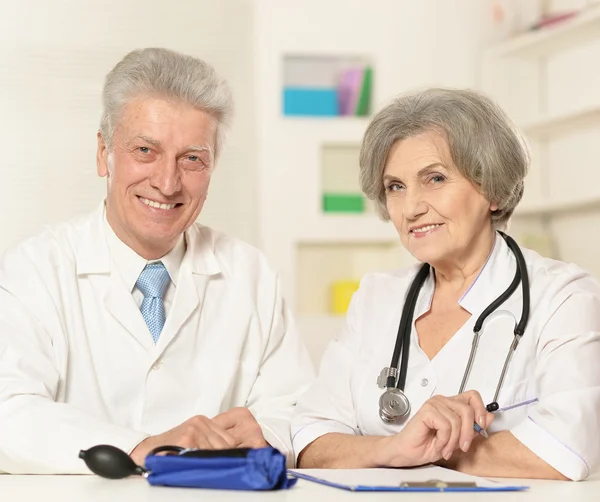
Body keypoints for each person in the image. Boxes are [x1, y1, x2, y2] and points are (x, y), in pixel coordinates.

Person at [0, 48, 314, 474]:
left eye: (192, 159)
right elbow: (10, 414)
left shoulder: (251, 275)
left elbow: (296, 411)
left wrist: (268, 435)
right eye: (145, 150)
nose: (167, 183)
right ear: (103, 154)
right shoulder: (33, 272)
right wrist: (143, 447)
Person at [292, 88, 600, 481]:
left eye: (434, 178)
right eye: (395, 186)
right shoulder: (377, 296)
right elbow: (309, 441)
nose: (411, 207)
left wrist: (418, 450)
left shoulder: (563, 297)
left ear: (490, 186)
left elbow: (564, 451)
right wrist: (395, 448)